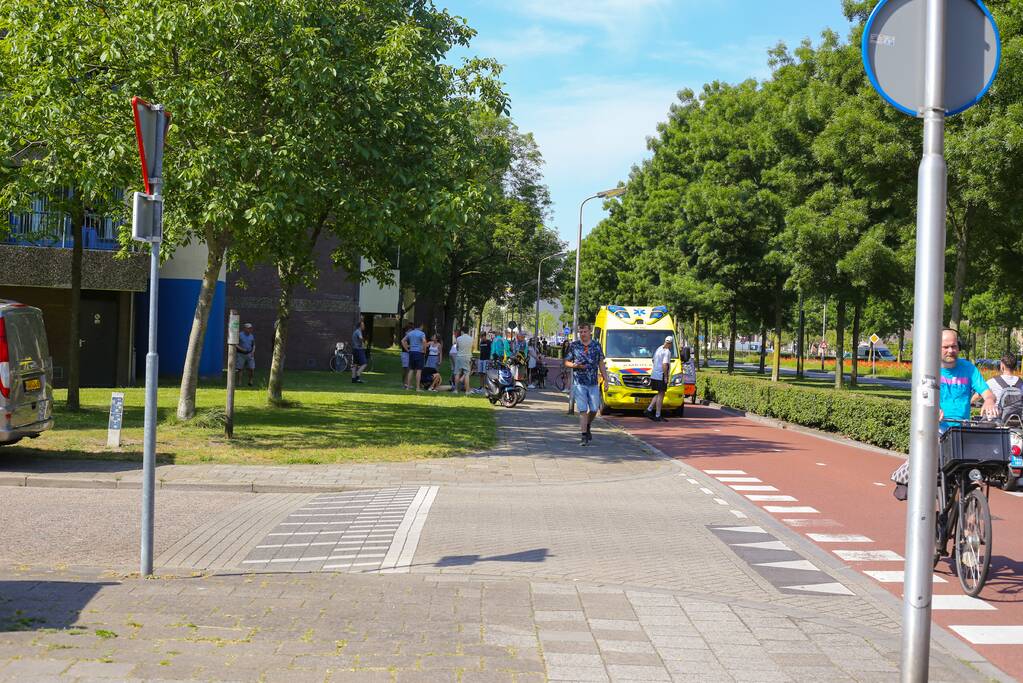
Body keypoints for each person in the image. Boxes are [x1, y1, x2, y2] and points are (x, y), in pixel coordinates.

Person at [939, 328, 996, 430]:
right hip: (935, 431)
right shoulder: (929, 369)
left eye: (954, 346)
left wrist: (989, 400)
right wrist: (931, 410)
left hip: (963, 430)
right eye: (946, 347)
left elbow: (988, 394)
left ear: (959, 347)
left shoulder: (969, 368)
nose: (951, 350)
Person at [565, 323, 609, 446]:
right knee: (583, 410)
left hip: (593, 382)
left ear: (590, 332)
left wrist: (606, 379)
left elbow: (601, 363)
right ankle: (584, 436)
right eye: (580, 332)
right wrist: (575, 365)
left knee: (594, 409)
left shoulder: (596, 346)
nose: (582, 334)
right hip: (579, 383)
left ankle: (588, 424)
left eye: (585, 331)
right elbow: (566, 362)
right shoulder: (574, 346)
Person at [984, 353, 1023, 422]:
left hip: (998, 422)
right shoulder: (1021, 382)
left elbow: (978, 395)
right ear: (1015, 366)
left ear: (1002, 365)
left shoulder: (992, 382)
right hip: (1018, 422)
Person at [646, 335, 674, 421]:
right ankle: (658, 415)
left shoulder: (659, 348)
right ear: (670, 343)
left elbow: (653, 360)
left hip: (654, 374)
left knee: (659, 393)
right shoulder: (667, 352)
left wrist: (656, 368)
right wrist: (666, 376)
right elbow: (665, 365)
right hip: (661, 375)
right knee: (661, 394)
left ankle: (649, 409)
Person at [402, 322, 427, 392]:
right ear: (421, 326)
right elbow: (424, 341)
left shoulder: (410, 333)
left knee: (411, 369)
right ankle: (418, 388)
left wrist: (407, 350)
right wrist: (424, 350)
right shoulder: (422, 333)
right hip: (419, 353)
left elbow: (403, 341)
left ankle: (408, 387)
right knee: (419, 370)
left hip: (412, 352)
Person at [454, 326, 474, 394]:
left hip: (459, 357)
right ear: (468, 331)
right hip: (467, 357)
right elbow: (472, 348)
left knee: (457, 373)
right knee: (467, 374)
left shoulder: (458, 338)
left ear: (462, 331)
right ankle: (467, 390)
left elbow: (457, 347)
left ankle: (456, 390)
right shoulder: (471, 338)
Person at [236, 322, 256, 387]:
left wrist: (253, 352)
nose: (250, 330)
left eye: (250, 328)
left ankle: (250, 381)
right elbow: (235, 344)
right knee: (240, 369)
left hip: (250, 354)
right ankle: (239, 382)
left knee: (252, 368)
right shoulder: (239, 335)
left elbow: (253, 345)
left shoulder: (251, 336)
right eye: (248, 328)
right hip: (241, 354)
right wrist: (241, 349)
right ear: (245, 328)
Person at [351, 319, 367, 384]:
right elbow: (360, 339)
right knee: (364, 363)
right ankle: (358, 375)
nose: (364, 326)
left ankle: (353, 379)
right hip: (359, 350)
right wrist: (362, 344)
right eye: (363, 325)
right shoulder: (358, 331)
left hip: (354, 349)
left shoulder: (355, 331)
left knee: (355, 364)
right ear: (360, 326)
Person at [399, 322, 413, 388]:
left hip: (410, 353)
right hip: (405, 353)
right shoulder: (405, 336)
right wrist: (409, 347)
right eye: (410, 330)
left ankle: (408, 383)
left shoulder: (410, 336)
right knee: (406, 368)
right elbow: (404, 345)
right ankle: (404, 383)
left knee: (410, 368)